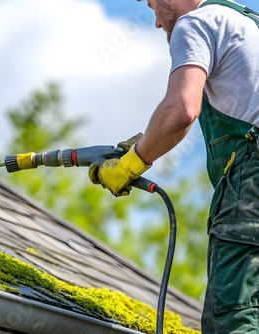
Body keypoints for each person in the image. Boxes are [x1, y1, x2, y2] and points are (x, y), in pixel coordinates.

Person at [89, 0, 259, 332]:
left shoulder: (196, 23)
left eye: (153, 5)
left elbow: (181, 110)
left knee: (235, 316)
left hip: (252, 182)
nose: (155, 21)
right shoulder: (247, 23)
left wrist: (130, 165)